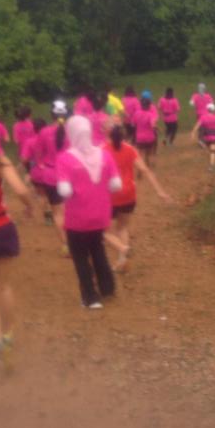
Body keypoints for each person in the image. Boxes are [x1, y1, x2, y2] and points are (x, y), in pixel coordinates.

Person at [56, 115, 121, 309]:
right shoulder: (104, 154)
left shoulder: (65, 158)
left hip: (77, 218)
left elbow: (64, 191)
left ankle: (90, 298)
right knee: (98, 249)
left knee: (80, 257)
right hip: (100, 215)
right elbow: (116, 185)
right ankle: (107, 288)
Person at [106, 125, 172, 272]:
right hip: (128, 194)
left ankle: (122, 248)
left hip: (110, 195)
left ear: (109, 135)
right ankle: (123, 260)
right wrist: (160, 192)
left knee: (104, 230)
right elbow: (145, 170)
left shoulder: (103, 149)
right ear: (125, 137)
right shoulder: (131, 150)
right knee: (122, 228)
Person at [0, 152, 33, 367]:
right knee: (2, 286)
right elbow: (21, 190)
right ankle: (7, 335)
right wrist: (29, 205)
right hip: (1, 227)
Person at [36, 100, 70, 253]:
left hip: (51, 175)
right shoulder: (71, 130)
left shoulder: (44, 132)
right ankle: (78, 241)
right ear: (66, 114)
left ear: (52, 115)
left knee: (57, 212)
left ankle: (66, 245)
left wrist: (42, 165)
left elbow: (38, 154)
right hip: (70, 174)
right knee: (71, 209)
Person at [192, 102, 215, 171]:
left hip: (206, 137)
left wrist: (193, 133)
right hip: (214, 136)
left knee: (210, 151)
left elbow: (197, 125)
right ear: (214, 109)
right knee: (213, 151)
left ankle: (211, 163)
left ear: (207, 109)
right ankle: (212, 166)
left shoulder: (203, 117)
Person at [132, 94, 158, 167]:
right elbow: (153, 125)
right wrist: (156, 128)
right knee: (149, 151)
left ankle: (141, 165)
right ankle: (148, 161)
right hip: (149, 137)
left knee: (140, 153)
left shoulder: (136, 113)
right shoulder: (150, 115)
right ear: (148, 106)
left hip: (139, 137)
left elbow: (133, 124)